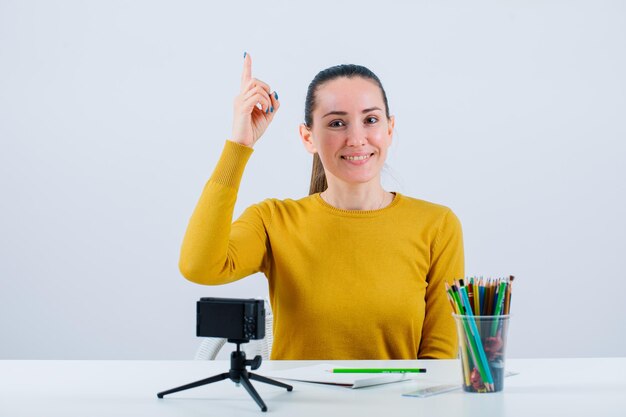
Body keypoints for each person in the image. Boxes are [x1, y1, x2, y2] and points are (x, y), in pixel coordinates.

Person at [179, 53, 464, 360]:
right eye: (337, 123)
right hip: (298, 407)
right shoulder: (273, 220)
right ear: (308, 137)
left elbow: (439, 359)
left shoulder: (437, 224)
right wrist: (239, 145)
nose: (356, 139)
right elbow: (199, 266)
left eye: (370, 120)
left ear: (390, 129)